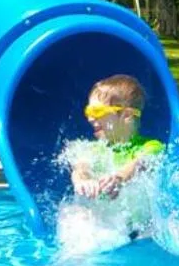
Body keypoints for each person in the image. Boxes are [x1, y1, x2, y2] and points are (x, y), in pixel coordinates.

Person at [69, 74, 164, 239]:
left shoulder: (151, 146)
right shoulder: (92, 150)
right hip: (104, 229)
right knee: (74, 215)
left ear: (127, 115)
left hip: (143, 232)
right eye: (88, 111)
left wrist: (119, 178)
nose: (90, 118)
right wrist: (82, 180)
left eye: (97, 111)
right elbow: (80, 168)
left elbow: (139, 163)